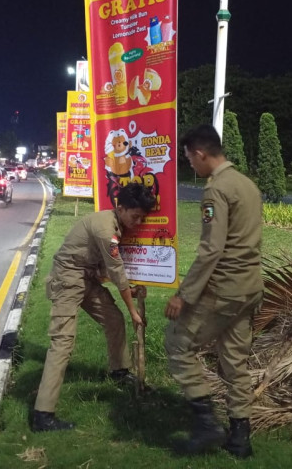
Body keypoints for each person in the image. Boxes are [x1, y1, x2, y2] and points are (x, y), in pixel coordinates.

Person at [164, 124, 265, 458]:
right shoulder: (247, 185)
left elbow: (211, 250)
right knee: (235, 361)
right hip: (250, 287)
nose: (190, 164)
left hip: (223, 288)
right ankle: (240, 440)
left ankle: (206, 424)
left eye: (189, 158)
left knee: (178, 344)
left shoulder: (217, 189)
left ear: (200, 153)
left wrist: (184, 294)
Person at [32, 182, 156, 432]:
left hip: (86, 278)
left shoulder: (114, 224)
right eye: (135, 216)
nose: (138, 222)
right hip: (67, 280)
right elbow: (116, 269)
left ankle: (119, 371)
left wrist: (128, 294)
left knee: (113, 319)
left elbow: (100, 266)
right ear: (120, 208)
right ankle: (42, 415)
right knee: (63, 343)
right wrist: (133, 309)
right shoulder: (104, 228)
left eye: (142, 217)